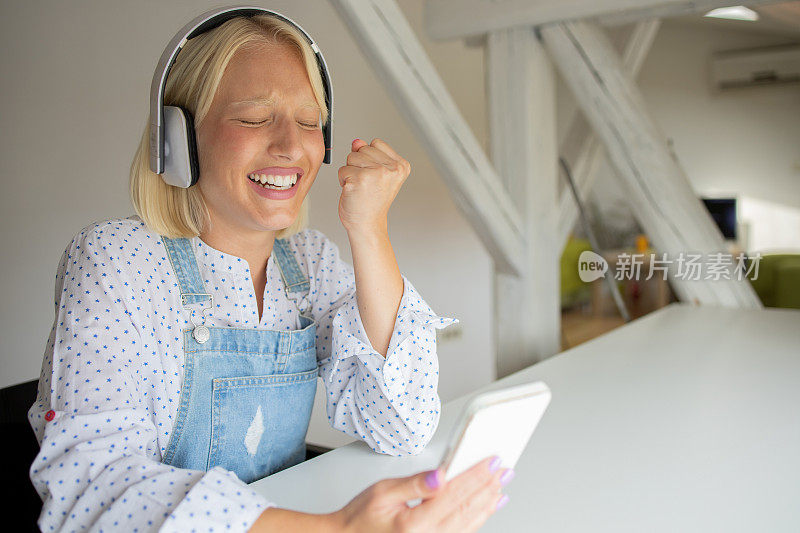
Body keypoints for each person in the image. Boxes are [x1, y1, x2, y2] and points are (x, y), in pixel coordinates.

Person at [27, 8, 513, 532]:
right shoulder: (114, 261)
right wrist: (335, 529)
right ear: (178, 138)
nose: (291, 146)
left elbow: (401, 425)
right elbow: (94, 486)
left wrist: (369, 231)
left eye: (310, 122)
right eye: (254, 118)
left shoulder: (309, 262)